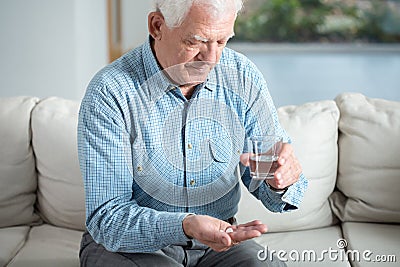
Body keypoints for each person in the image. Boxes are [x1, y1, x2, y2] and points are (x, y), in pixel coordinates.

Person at [78, 0, 308, 266]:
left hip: (219, 243)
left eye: (222, 41)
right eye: (196, 42)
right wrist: (185, 225)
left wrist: (279, 180)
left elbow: (275, 187)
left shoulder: (242, 77)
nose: (211, 59)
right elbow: (108, 219)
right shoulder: (110, 92)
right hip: (129, 247)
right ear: (157, 26)